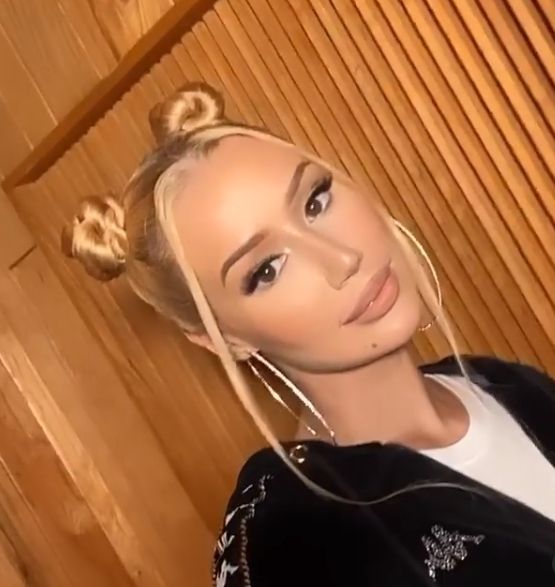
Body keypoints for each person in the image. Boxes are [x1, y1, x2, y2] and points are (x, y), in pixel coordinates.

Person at [61, 82, 555, 586]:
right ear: (223, 338)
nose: (342, 259)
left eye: (315, 201)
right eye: (267, 270)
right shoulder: (292, 543)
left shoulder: (505, 383)